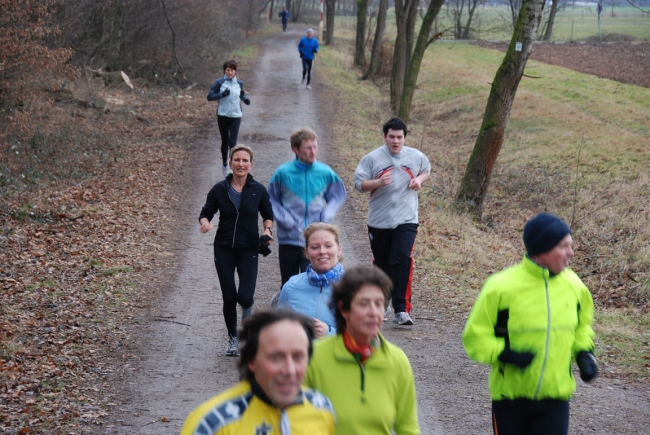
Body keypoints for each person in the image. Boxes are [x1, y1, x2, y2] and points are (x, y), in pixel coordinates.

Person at [462, 212, 598, 435]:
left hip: (556, 398)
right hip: (510, 399)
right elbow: (475, 337)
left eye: (571, 246)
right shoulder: (500, 287)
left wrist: (584, 352)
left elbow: (582, 326)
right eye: (564, 246)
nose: (571, 253)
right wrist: (506, 353)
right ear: (542, 249)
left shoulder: (575, 286)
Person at [303, 265, 420, 435]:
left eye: (379, 304)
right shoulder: (314, 358)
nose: (373, 312)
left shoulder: (397, 361)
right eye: (364, 304)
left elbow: (408, 429)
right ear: (343, 309)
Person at [180, 310, 336, 435]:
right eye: (275, 357)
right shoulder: (212, 424)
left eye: (298, 357)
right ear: (251, 361)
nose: (289, 370)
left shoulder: (322, 408)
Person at [353, 117, 430, 326]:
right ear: (385, 137)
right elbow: (359, 184)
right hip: (379, 220)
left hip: (407, 219)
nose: (396, 141)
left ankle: (402, 309)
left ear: (405, 138)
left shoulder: (415, 156)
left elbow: (426, 171)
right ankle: (382, 300)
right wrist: (378, 182)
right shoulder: (372, 159)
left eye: (399, 137)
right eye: (391, 137)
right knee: (383, 263)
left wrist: (418, 181)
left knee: (401, 259)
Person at [199, 145, 274, 356]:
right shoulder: (219, 189)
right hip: (223, 248)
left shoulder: (258, 189)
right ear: (231, 163)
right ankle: (234, 339)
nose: (241, 164)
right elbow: (205, 213)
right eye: (237, 160)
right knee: (229, 296)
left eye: (245, 160)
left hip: (249, 247)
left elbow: (268, 214)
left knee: (246, 297)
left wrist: (267, 230)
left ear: (251, 164)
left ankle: (248, 333)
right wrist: (205, 223)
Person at [268, 126, 346, 289]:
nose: (313, 152)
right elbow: (271, 199)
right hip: (288, 238)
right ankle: (286, 311)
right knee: (288, 285)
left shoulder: (325, 172)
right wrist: (284, 219)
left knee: (312, 283)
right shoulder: (283, 172)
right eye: (308, 148)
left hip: (314, 239)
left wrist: (326, 215)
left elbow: (338, 195)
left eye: (315, 147)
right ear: (295, 149)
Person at [277, 223, 343, 338]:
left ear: (339, 249)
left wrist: (329, 333)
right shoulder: (291, 287)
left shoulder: (354, 288)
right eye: (315, 247)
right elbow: (278, 329)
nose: (322, 251)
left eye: (328, 246)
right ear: (306, 253)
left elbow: (363, 336)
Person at [207, 60, 251, 178]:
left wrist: (245, 99)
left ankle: (232, 167)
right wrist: (221, 95)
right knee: (225, 142)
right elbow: (209, 96)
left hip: (236, 115)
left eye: (232, 70)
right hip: (223, 115)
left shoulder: (239, 83)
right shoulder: (219, 82)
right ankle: (225, 165)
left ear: (235, 71)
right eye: (227, 70)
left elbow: (241, 93)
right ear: (224, 71)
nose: (230, 72)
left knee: (233, 143)